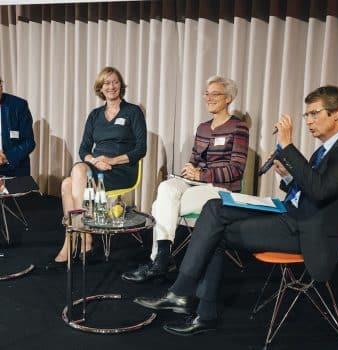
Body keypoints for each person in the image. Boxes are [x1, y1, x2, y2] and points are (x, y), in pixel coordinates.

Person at [134, 85, 338, 336]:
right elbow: (309, 187)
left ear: (336, 113)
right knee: (215, 207)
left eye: (314, 114)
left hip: (309, 231)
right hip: (291, 214)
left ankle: (192, 302)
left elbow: (321, 190)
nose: (309, 121)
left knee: (215, 232)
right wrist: (288, 177)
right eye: (307, 115)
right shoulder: (327, 149)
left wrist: (288, 146)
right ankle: (185, 295)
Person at [122, 76, 249, 283]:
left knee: (159, 206)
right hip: (196, 182)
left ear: (228, 98)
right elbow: (195, 160)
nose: (208, 98)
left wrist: (202, 175)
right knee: (166, 187)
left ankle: (159, 260)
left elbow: (236, 169)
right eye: (206, 93)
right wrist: (190, 170)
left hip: (222, 187)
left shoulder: (238, 127)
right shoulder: (203, 127)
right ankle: (163, 258)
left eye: (214, 93)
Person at [50, 67, 147, 266]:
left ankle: (79, 234)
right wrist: (95, 161)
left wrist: (110, 161)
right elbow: (84, 148)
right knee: (68, 183)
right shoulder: (95, 115)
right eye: (107, 83)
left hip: (122, 170)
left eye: (115, 82)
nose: (111, 87)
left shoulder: (133, 112)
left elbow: (141, 149)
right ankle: (81, 239)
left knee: (75, 174)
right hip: (96, 166)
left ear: (121, 85)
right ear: (100, 88)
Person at [0, 77, 35, 177]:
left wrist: (6, 156)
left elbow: (29, 142)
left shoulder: (18, 106)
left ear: (1, 87)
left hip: (14, 168)